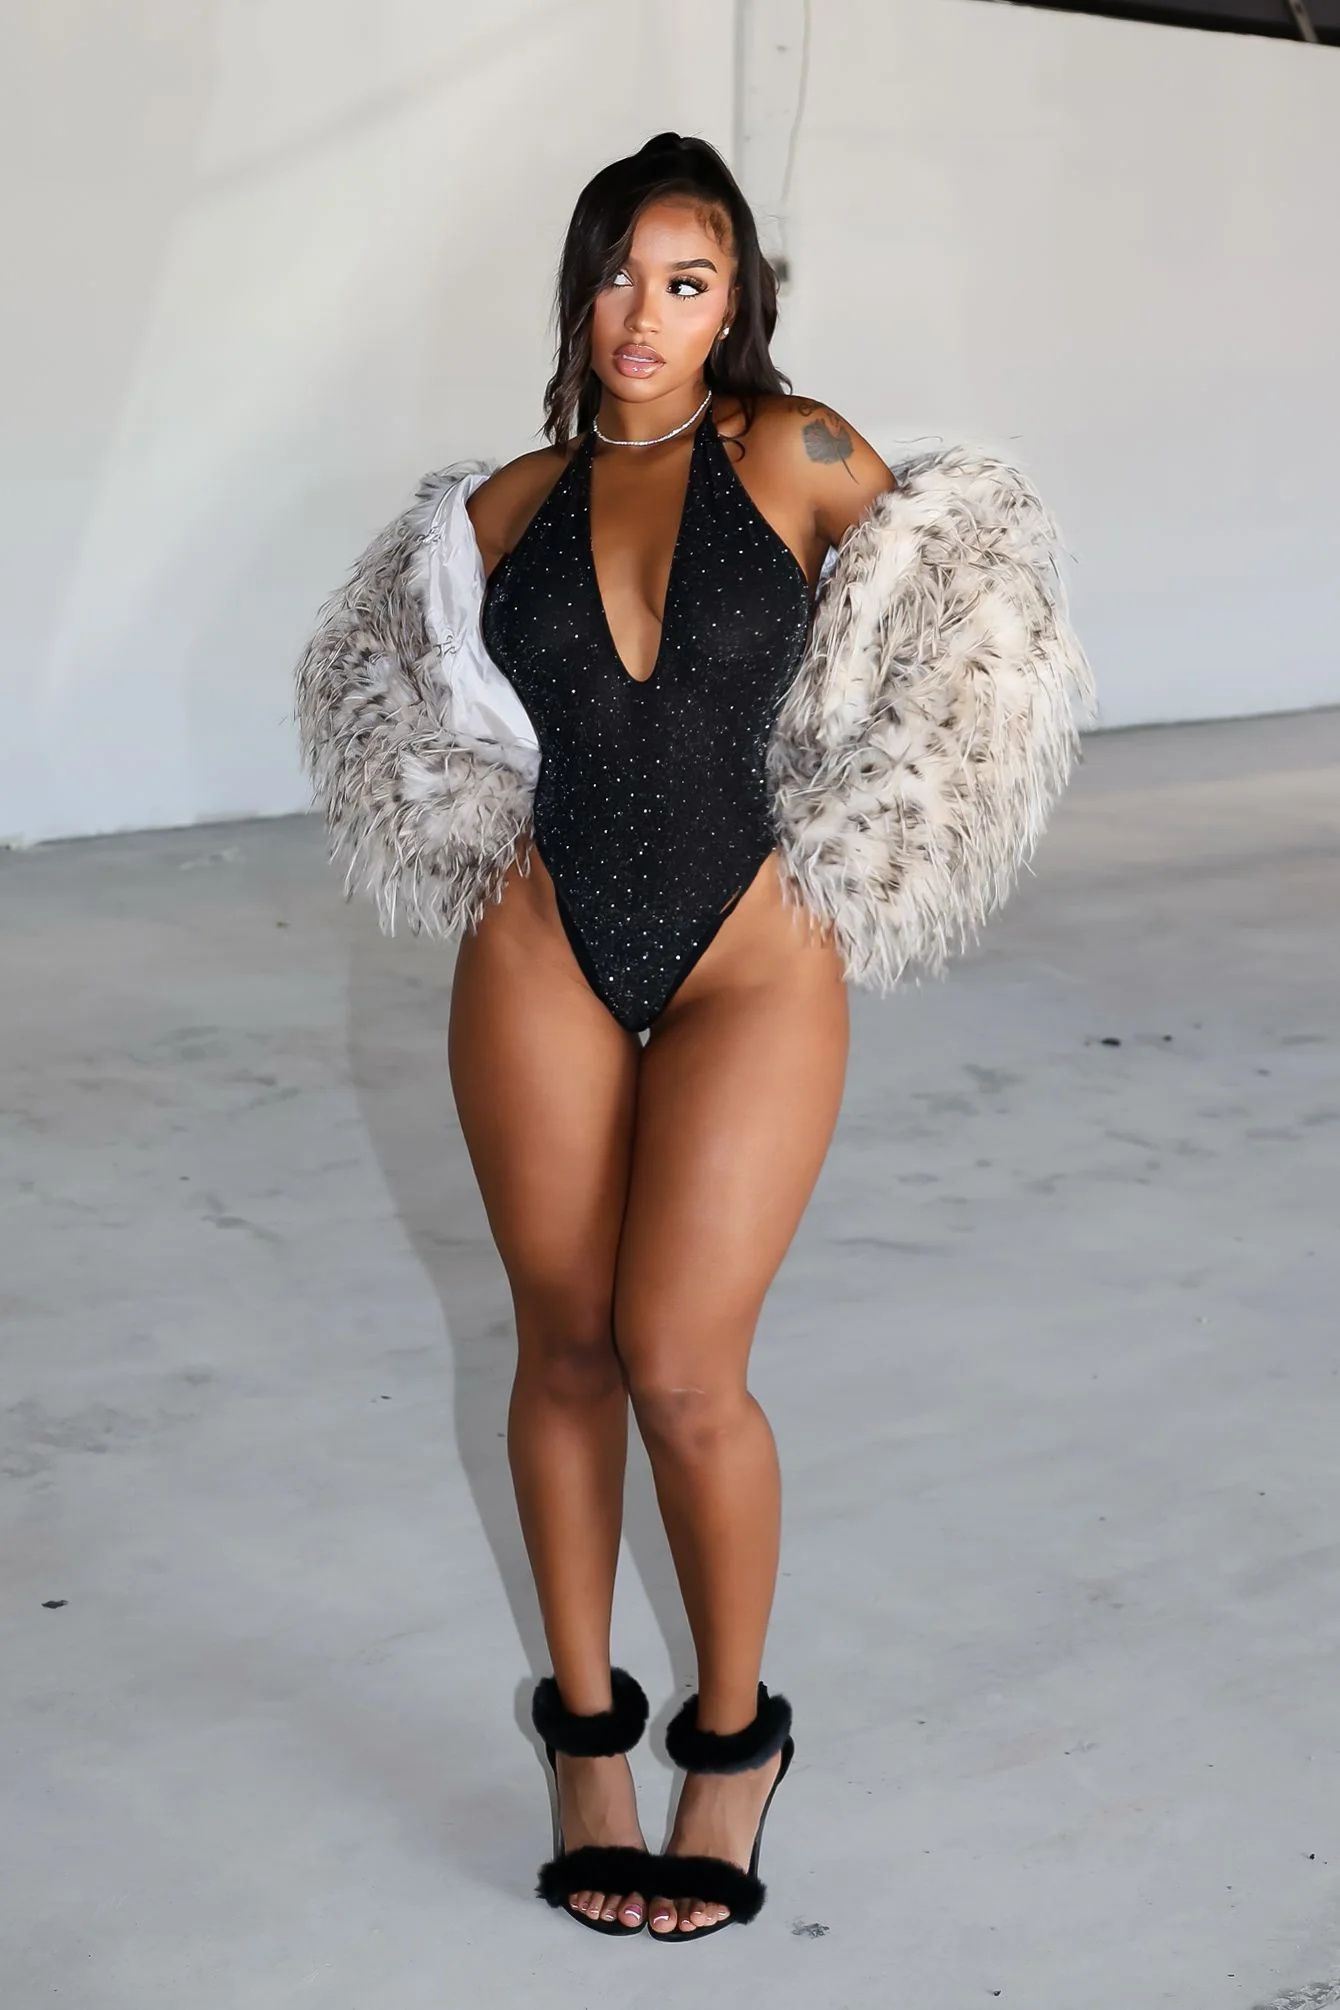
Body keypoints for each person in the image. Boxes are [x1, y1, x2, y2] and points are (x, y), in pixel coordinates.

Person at [295, 131, 1094, 1942]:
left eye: (688, 280)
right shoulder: (507, 502)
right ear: (577, 289)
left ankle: (734, 1738)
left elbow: (970, 617)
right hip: (541, 950)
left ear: (735, 302)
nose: (645, 315)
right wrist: (465, 825)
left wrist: (868, 837)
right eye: (618, 274)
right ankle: (587, 1737)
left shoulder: (795, 452)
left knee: (678, 1361)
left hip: (753, 953)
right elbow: (383, 686)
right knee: (565, 1346)